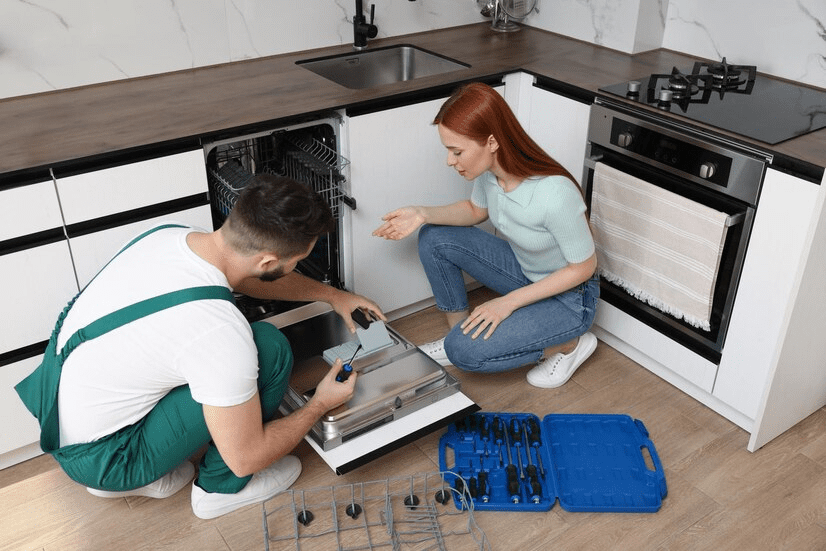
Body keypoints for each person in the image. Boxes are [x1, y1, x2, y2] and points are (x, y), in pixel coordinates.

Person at [15, 173, 386, 520]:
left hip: (62, 415)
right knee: (269, 350)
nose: (298, 266)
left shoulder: (174, 237)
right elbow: (246, 457)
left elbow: (248, 278)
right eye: (298, 262)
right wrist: (320, 403)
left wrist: (332, 295)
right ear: (269, 261)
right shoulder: (218, 334)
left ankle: (131, 474)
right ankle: (219, 491)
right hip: (106, 456)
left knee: (207, 365)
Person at [373, 82, 599, 388]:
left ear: (491, 142)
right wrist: (422, 213)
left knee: (463, 353)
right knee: (434, 236)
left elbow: (584, 268)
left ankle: (569, 345)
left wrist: (507, 303)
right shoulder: (493, 175)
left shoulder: (555, 194)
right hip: (526, 271)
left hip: (569, 299)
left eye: (457, 151)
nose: (449, 161)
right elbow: (475, 210)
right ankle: (458, 331)